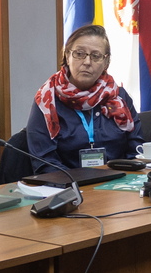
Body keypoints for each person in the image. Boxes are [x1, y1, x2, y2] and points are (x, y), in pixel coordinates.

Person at [27, 25, 139, 170]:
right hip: (67, 182)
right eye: (79, 54)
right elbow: (44, 162)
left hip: (119, 180)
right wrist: (79, 182)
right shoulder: (47, 100)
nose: (87, 62)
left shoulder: (119, 96)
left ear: (106, 63)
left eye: (96, 56)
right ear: (67, 57)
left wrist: (125, 178)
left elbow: (137, 150)